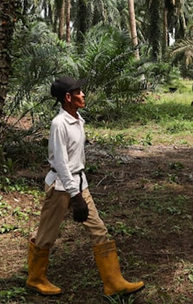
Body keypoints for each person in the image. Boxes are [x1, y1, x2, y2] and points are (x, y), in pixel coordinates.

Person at [25, 76, 145, 297]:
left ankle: (114, 283)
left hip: (79, 184)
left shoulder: (78, 119)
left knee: (99, 230)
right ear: (68, 97)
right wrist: (75, 196)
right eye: (79, 92)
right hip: (61, 187)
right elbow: (60, 163)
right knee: (46, 236)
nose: (83, 95)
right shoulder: (59, 124)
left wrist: (80, 191)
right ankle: (35, 278)